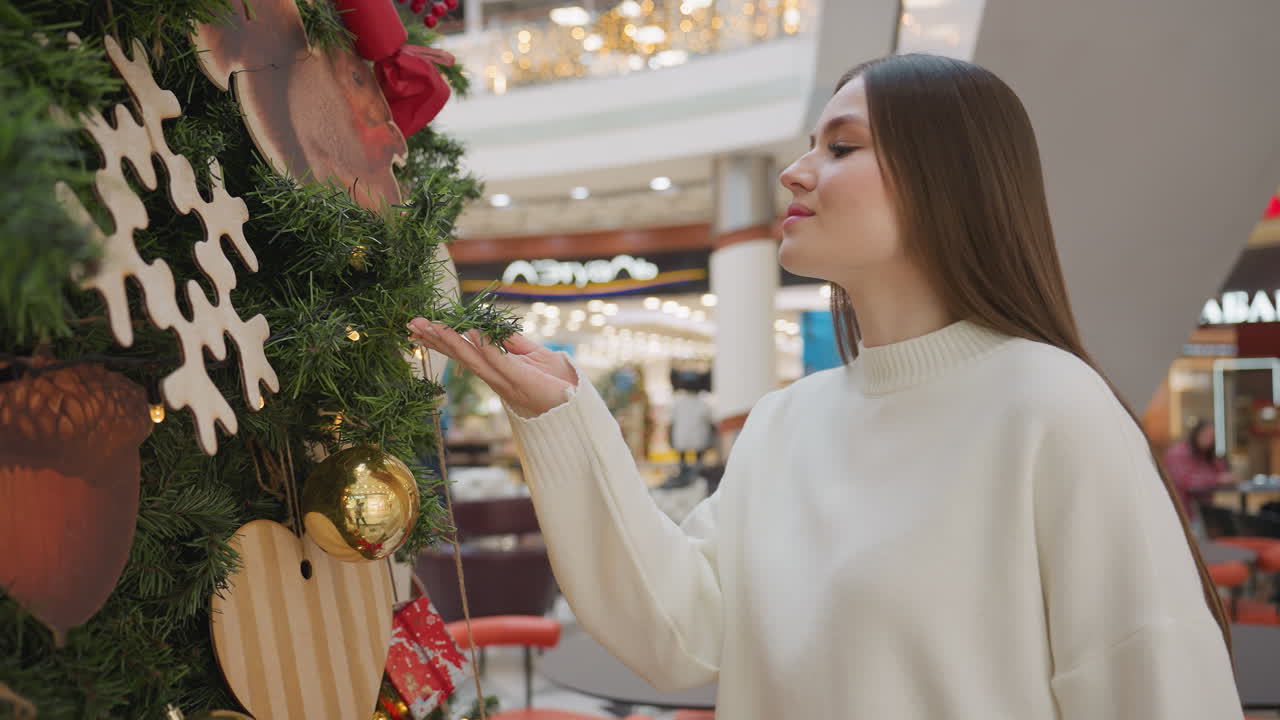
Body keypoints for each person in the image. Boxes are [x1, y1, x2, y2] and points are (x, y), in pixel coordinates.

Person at [410, 54, 1240, 719]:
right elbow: (681, 632)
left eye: (840, 147)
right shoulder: (787, 422)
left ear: (945, 179)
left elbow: (1153, 684)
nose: (795, 174)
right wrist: (560, 416)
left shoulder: (1052, 407)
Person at [1164, 420, 1236, 527]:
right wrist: (1217, 479)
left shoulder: (1206, 455)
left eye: (1212, 437)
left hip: (1204, 514)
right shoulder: (1178, 453)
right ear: (1196, 433)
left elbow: (1224, 475)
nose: (1209, 440)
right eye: (1206, 435)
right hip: (1182, 514)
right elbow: (1186, 483)